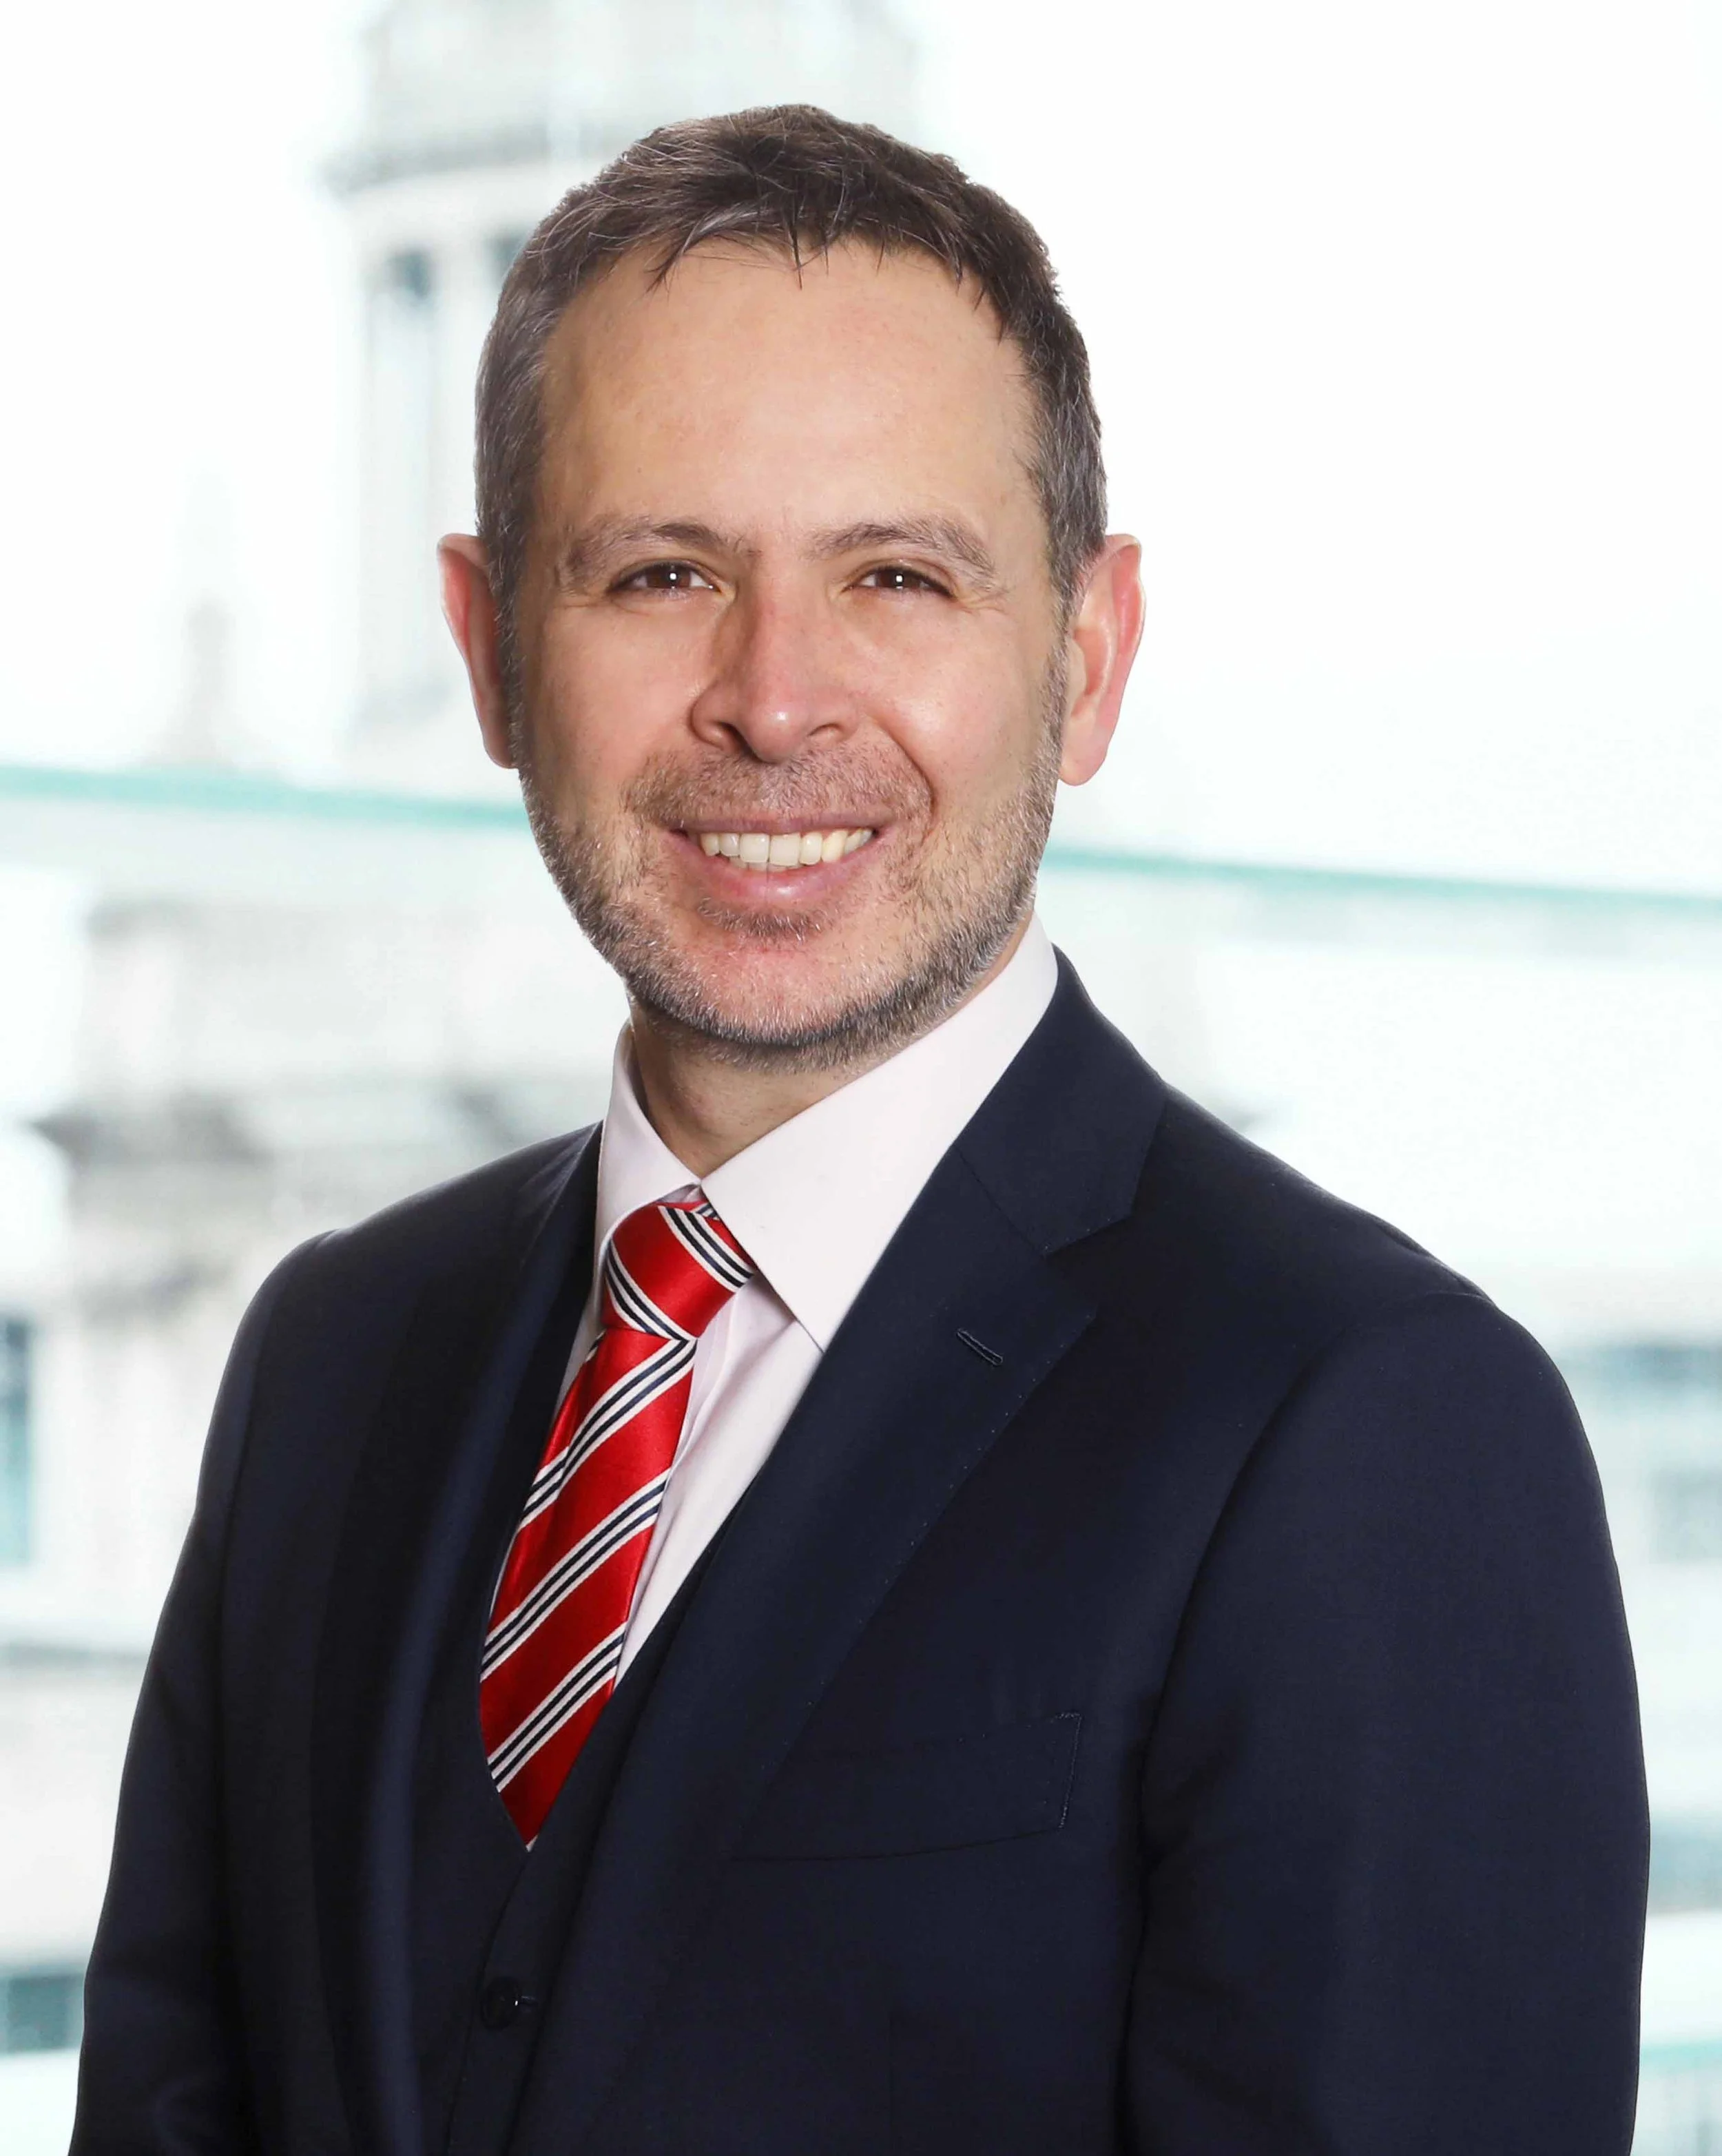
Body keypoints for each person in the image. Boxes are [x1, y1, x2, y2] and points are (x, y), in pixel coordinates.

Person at [72, 105, 1647, 2156]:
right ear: (486, 651)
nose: (772, 698)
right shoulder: (333, 1353)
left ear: (1083, 663)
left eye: (895, 575)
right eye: (659, 571)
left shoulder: (1373, 1423)